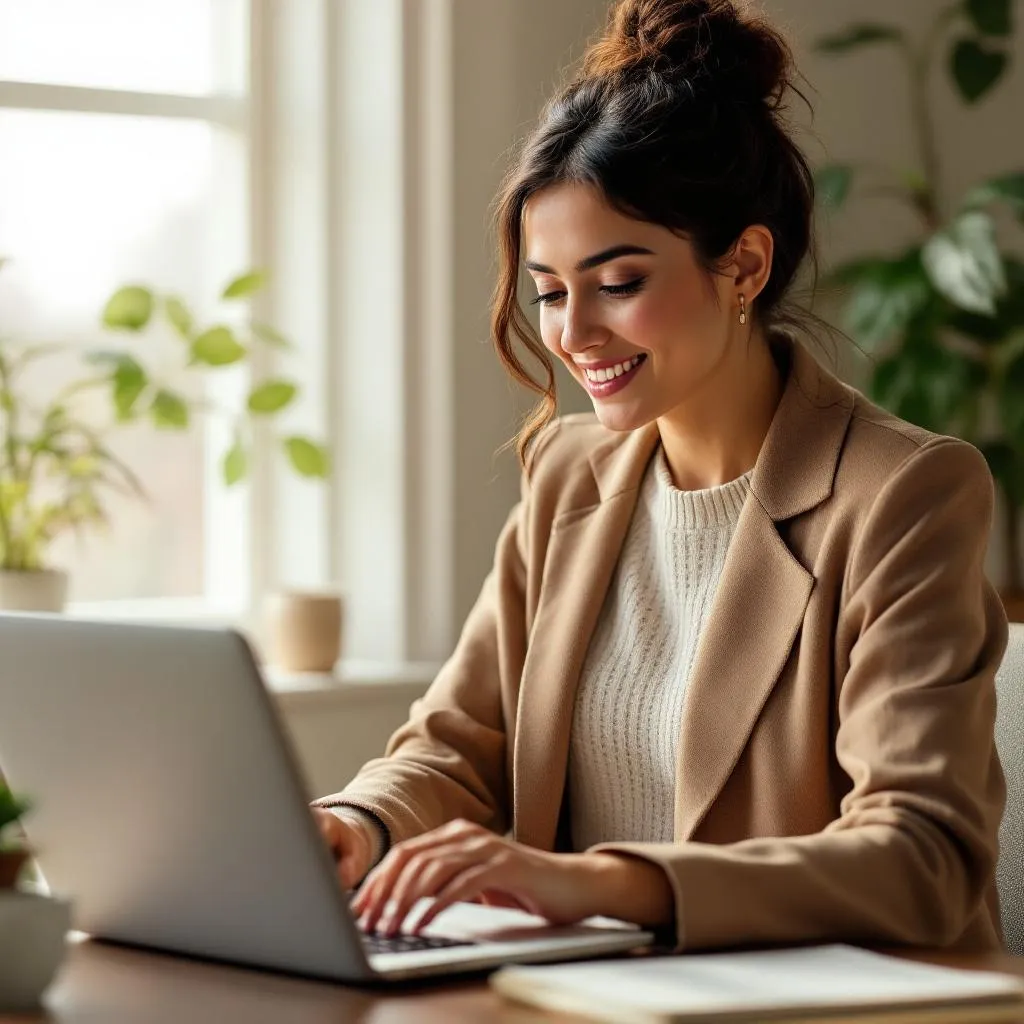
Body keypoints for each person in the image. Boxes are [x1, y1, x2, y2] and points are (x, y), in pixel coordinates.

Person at [310, 0, 1008, 953]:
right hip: (593, 999)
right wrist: (359, 823)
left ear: (745, 267)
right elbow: (460, 743)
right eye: (551, 291)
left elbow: (923, 857)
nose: (573, 334)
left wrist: (599, 883)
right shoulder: (567, 474)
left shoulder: (905, 493)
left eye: (620, 282)